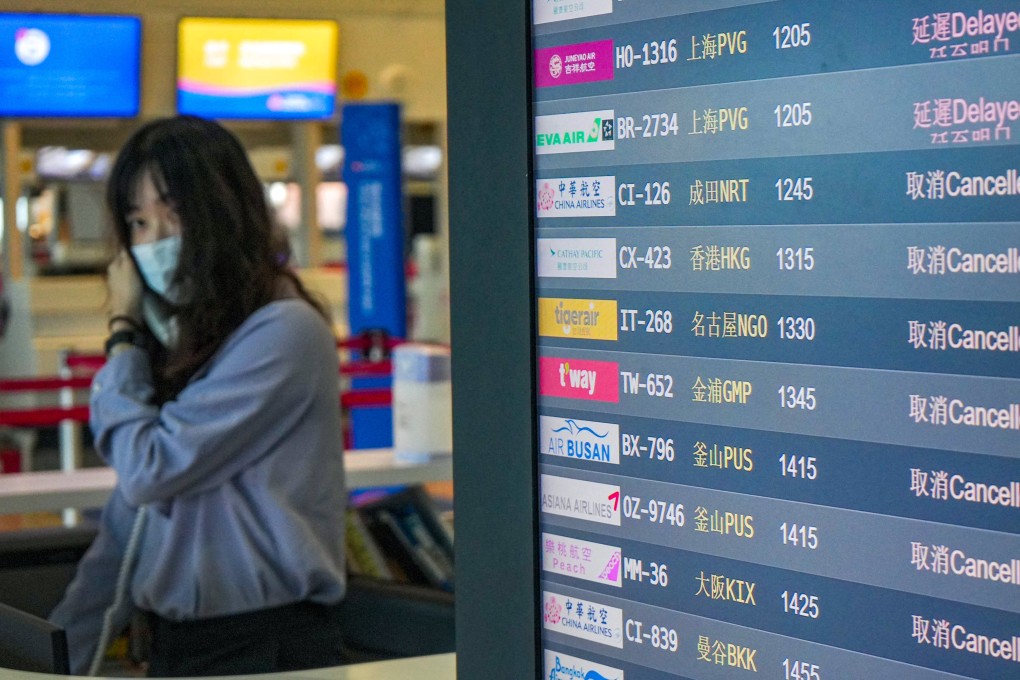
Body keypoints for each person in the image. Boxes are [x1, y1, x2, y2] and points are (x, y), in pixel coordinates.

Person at [50, 115, 347, 676]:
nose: (155, 242)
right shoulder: (189, 343)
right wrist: (58, 656)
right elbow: (127, 522)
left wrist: (122, 333)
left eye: (175, 213)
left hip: (263, 646)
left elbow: (149, 469)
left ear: (224, 214)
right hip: (180, 646)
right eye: (137, 222)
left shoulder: (283, 333)